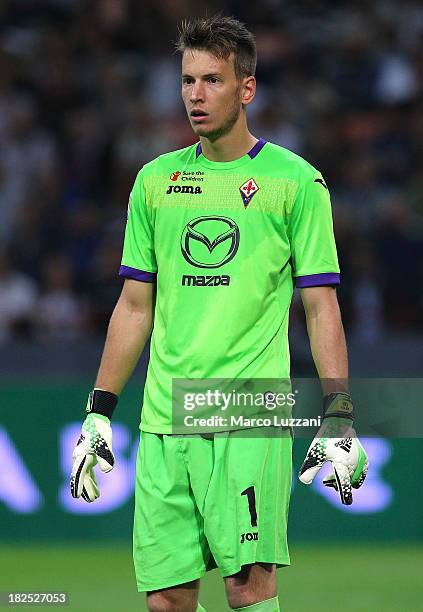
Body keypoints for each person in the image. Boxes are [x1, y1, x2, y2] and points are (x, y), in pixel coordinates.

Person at [70, 15, 368, 612]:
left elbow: (320, 304)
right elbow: (133, 306)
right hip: (164, 415)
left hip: (248, 410)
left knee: (247, 588)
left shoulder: (295, 182)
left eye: (212, 80)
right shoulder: (156, 181)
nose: (196, 96)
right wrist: (99, 412)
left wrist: (339, 411)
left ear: (247, 89)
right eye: (187, 81)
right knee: (167, 600)